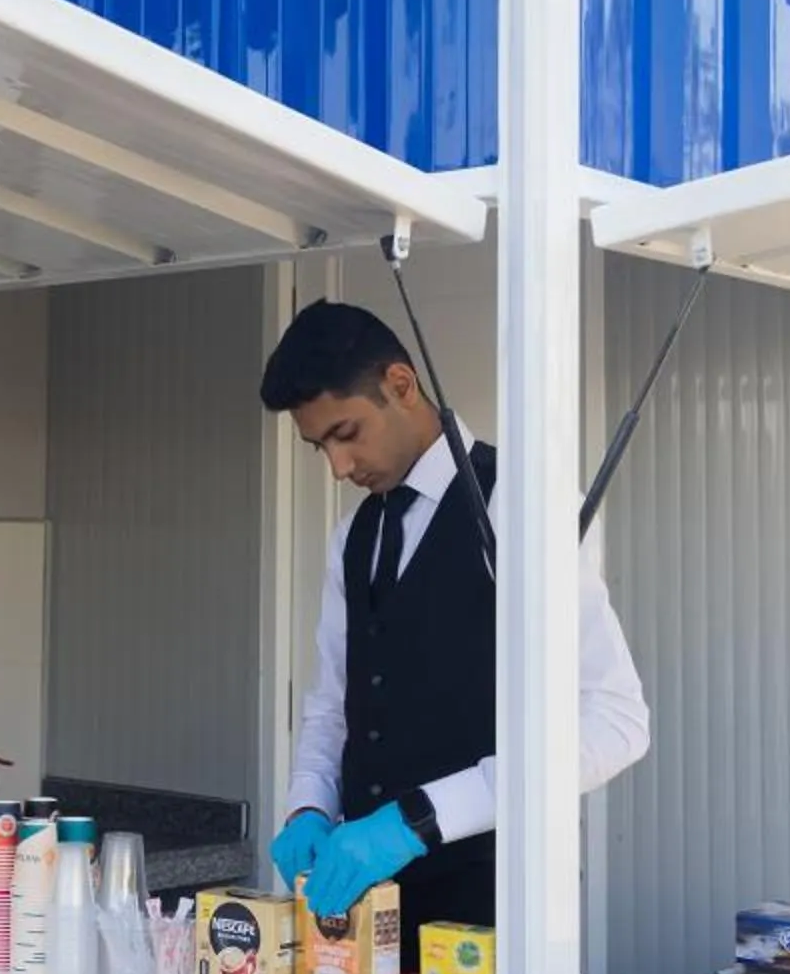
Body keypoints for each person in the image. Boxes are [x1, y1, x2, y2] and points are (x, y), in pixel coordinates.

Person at [259, 299, 650, 931]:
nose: (338, 468)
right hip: (360, 920)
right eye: (318, 447)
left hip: (489, 918)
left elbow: (615, 722)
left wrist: (421, 819)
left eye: (346, 434)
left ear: (401, 385)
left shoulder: (525, 507)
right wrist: (307, 803)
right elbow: (334, 703)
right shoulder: (352, 537)